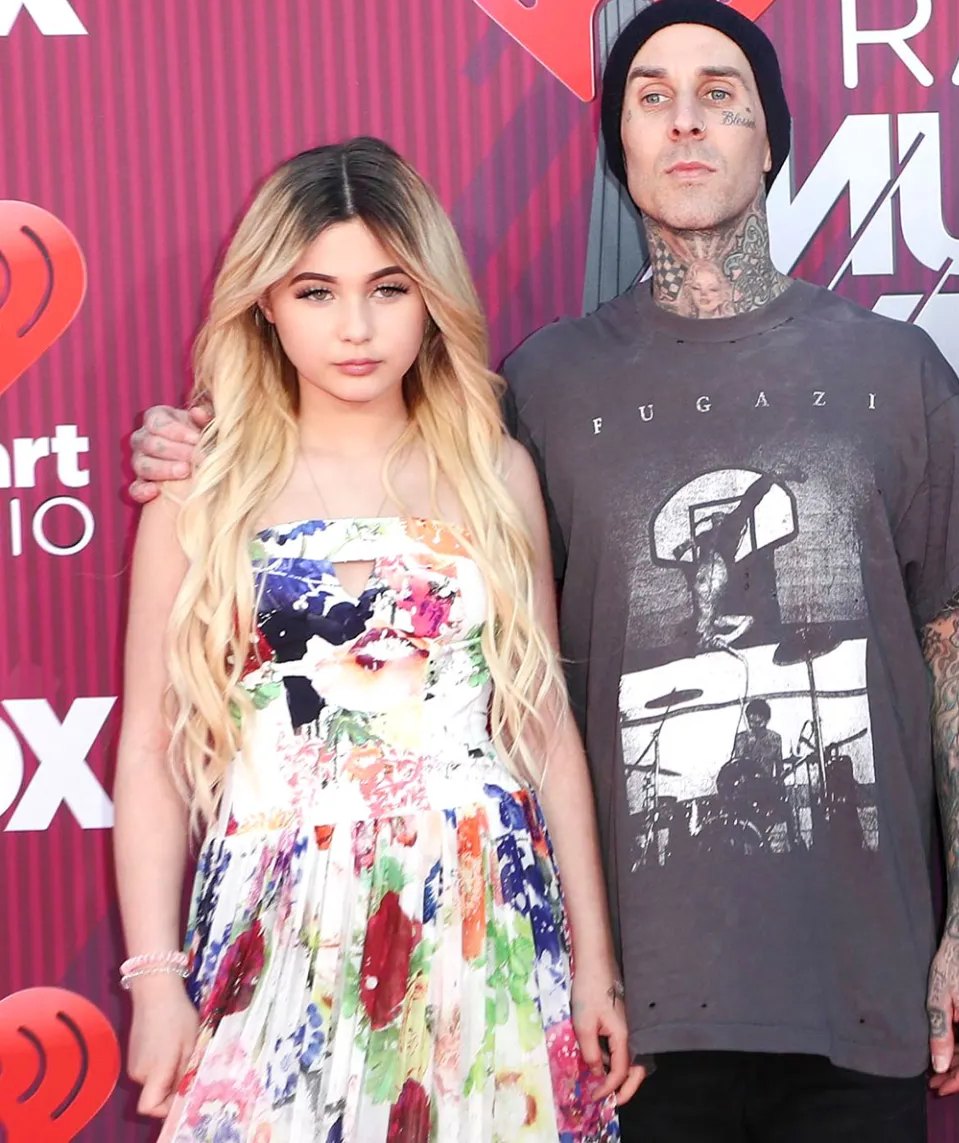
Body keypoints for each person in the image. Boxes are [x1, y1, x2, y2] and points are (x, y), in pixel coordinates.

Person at [127, 0, 959, 1142]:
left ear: (772, 137)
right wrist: (203, 442)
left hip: (842, 983)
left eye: (719, 96)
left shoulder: (891, 371)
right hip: (618, 1001)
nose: (685, 122)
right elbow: (370, 491)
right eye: (652, 98)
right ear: (619, 148)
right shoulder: (540, 389)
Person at [111, 138, 640, 1140]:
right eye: (316, 291)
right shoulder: (200, 488)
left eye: (388, 288)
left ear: (430, 296)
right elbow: (149, 746)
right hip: (274, 920)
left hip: (483, 920)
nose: (355, 327)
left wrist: (595, 965)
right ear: (266, 303)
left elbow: (541, 727)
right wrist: (154, 978)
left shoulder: (493, 471)